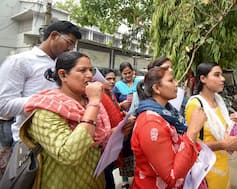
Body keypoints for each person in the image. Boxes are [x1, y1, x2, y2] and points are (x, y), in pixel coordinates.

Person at [0, 20, 81, 178]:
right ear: (54, 36)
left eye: (73, 46)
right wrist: (46, 101)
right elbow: (3, 105)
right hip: (30, 143)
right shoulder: (20, 61)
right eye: (69, 43)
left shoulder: (64, 64)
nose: (70, 49)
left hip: (62, 141)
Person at [21, 51, 111, 188]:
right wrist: (94, 102)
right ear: (63, 75)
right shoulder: (46, 109)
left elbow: (96, 139)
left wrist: (118, 131)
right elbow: (68, 154)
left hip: (95, 181)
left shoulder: (87, 103)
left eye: (91, 70)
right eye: (82, 70)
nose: (90, 75)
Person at [185, 62, 237, 189]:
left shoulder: (218, 101)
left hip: (222, 167)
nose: (223, 79)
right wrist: (223, 145)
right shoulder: (195, 105)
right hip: (205, 172)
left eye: (222, 75)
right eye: (217, 75)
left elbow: (225, 127)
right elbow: (190, 145)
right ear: (203, 79)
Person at [131, 66, 207, 188]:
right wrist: (192, 131)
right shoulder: (150, 124)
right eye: (171, 80)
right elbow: (172, 177)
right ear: (156, 88)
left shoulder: (168, 113)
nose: (176, 84)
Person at [99, 68, 135, 189]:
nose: (112, 81)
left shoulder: (110, 94)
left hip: (117, 136)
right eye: (108, 79)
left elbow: (115, 111)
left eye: (114, 78)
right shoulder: (99, 96)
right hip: (105, 143)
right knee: (107, 177)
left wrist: (122, 114)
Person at [112, 62, 141, 188]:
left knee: (138, 148)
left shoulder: (139, 83)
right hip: (124, 121)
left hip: (138, 119)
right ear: (121, 74)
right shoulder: (117, 86)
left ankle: (137, 176)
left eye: (130, 72)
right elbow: (113, 104)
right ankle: (124, 180)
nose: (128, 75)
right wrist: (122, 104)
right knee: (125, 149)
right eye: (125, 73)